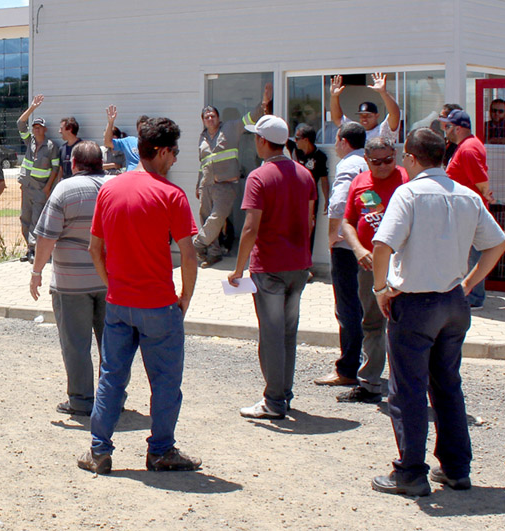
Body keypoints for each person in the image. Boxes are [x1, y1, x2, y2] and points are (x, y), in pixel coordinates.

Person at [369, 127, 505, 497]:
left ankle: (411, 472)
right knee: (447, 384)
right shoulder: (465, 195)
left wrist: (380, 289)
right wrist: (469, 281)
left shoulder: (409, 193)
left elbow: (382, 245)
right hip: (453, 300)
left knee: (408, 390)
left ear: (412, 158)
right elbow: (498, 243)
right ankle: (456, 468)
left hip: (415, 303)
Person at [78, 117, 200, 475]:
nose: (176, 158)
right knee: (164, 382)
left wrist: (111, 283)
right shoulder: (171, 194)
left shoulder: (110, 190)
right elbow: (189, 255)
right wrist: (185, 299)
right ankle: (161, 451)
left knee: (112, 377)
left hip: (119, 303)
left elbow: (94, 248)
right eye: (175, 151)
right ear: (161, 151)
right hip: (159, 305)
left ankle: (99, 451)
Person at [227, 115, 317, 419]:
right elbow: (309, 221)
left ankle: (274, 400)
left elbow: (250, 227)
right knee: (288, 333)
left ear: (262, 141)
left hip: (270, 268)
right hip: (298, 266)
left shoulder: (258, 177)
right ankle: (283, 394)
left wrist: (239, 269)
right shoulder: (305, 174)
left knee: (271, 334)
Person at [29, 141, 108, 416]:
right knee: (112, 345)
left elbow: (46, 236)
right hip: (110, 281)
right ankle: (114, 397)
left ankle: (81, 400)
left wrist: (36, 272)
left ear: (73, 163)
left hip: (71, 282)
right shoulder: (114, 187)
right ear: (101, 162)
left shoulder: (65, 189)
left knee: (76, 344)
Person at [337, 137, 409, 404]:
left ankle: (406, 385)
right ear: (367, 160)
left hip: (402, 263)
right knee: (372, 322)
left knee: (404, 324)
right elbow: (348, 222)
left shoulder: (407, 180)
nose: (383, 167)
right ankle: (369, 383)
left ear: (396, 156)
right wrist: (357, 249)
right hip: (369, 265)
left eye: (388, 160)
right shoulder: (360, 182)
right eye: (376, 162)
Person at [195, 84, 274, 268]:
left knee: (217, 218)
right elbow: (203, 163)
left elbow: (251, 118)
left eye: (212, 116)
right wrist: (198, 185)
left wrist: (264, 103)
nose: (209, 119)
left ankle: (198, 243)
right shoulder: (202, 137)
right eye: (206, 117)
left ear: (218, 118)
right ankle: (213, 254)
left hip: (226, 184)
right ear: (203, 121)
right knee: (205, 218)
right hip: (206, 185)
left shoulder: (231, 128)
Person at [314, 122, 368, 388]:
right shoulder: (369, 162)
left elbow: (337, 203)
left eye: (336, 140)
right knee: (364, 307)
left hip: (347, 246)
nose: (334, 145)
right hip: (368, 244)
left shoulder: (348, 165)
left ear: (344, 141)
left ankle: (347, 368)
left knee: (346, 308)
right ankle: (366, 363)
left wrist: (332, 237)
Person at [441, 109, 495, 309]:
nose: (444, 130)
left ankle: (473, 298)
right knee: (468, 254)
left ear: (457, 128)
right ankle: (471, 295)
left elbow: (481, 181)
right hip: (464, 211)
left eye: (447, 126)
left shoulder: (468, 148)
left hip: (468, 212)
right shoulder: (465, 146)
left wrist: (485, 193)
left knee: (472, 255)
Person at [17, 95, 60, 263]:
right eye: (34, 127)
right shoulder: (30, 142)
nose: (36, 130)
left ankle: (35, 250)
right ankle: (29, 249)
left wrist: (48, 187)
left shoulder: (51, 147)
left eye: (39, 127)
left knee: (36, 220)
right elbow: (20, 124)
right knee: (24, 219)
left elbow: (55, 168)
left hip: (41, 189)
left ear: (45, 130)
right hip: (26, 187)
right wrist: (32, 108)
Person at [330, 73, 402, 144]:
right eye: (361, 116)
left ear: (377, 116)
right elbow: (338, 119)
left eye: (368, 116)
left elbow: (394, 114)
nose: (364, 119)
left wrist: (383, 93)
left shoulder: (383, 130)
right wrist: (334, 96)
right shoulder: (354, 131)